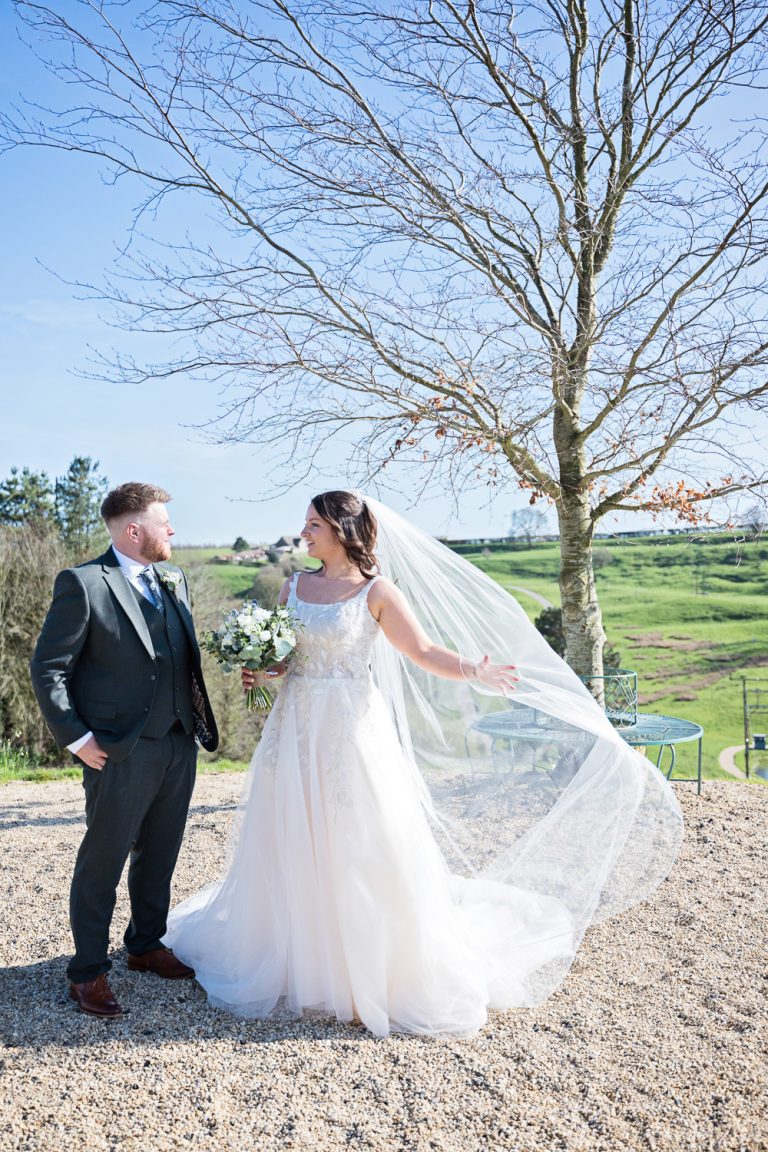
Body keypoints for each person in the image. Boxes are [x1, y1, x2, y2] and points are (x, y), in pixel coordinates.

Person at [165, 490, 682, 1037]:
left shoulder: (376, 591)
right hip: (293, 726)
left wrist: (473, 670)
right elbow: (288, 657)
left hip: (349, 728)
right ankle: (294, 953)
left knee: (358, 836)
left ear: (342, 530)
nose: (305, 531)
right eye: (307, 523)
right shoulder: (294, 585)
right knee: (290, 828)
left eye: (315, 523)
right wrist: (262, 671)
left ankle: (362, 964)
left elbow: (423, 652)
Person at [31, 482, 218, 1018]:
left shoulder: (175, 578)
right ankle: (87, 971)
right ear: (134, 531)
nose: (173, 532)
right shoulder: (84, 583)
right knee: (104, 858)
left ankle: (144, 945)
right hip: (116, 750)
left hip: (180, 742)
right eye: (165, 523)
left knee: (161, 850)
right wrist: (77, 737)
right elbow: (48, 668)